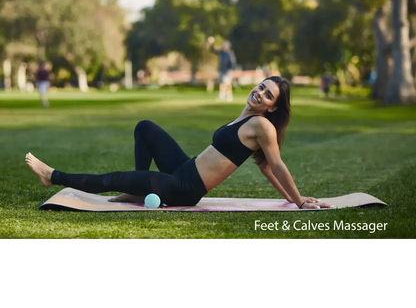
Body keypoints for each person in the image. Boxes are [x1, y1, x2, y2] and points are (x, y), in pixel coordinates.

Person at [25, 76, 331, 210]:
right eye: (261, 87)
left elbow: (275, 166)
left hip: (185, 188)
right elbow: (265, 169)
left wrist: (299, 200)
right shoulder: (246, 117)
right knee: (145, 127)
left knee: (112, 180)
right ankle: (137, 189)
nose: (260, 93)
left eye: (268, 95)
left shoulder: (262, 125)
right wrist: (292, 199)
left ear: (272, 107)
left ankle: (51, 176)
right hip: (184, 167)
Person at [207, 37, 236, 102]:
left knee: (227, 83)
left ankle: (229, 96)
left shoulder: (230, 53)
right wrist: (212, 43)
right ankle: (221, 95)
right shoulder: (221, 53)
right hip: (221, 70)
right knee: (221, 83)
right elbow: (212, 50)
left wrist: (232, 69)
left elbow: (232, 62)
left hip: (227, 70)